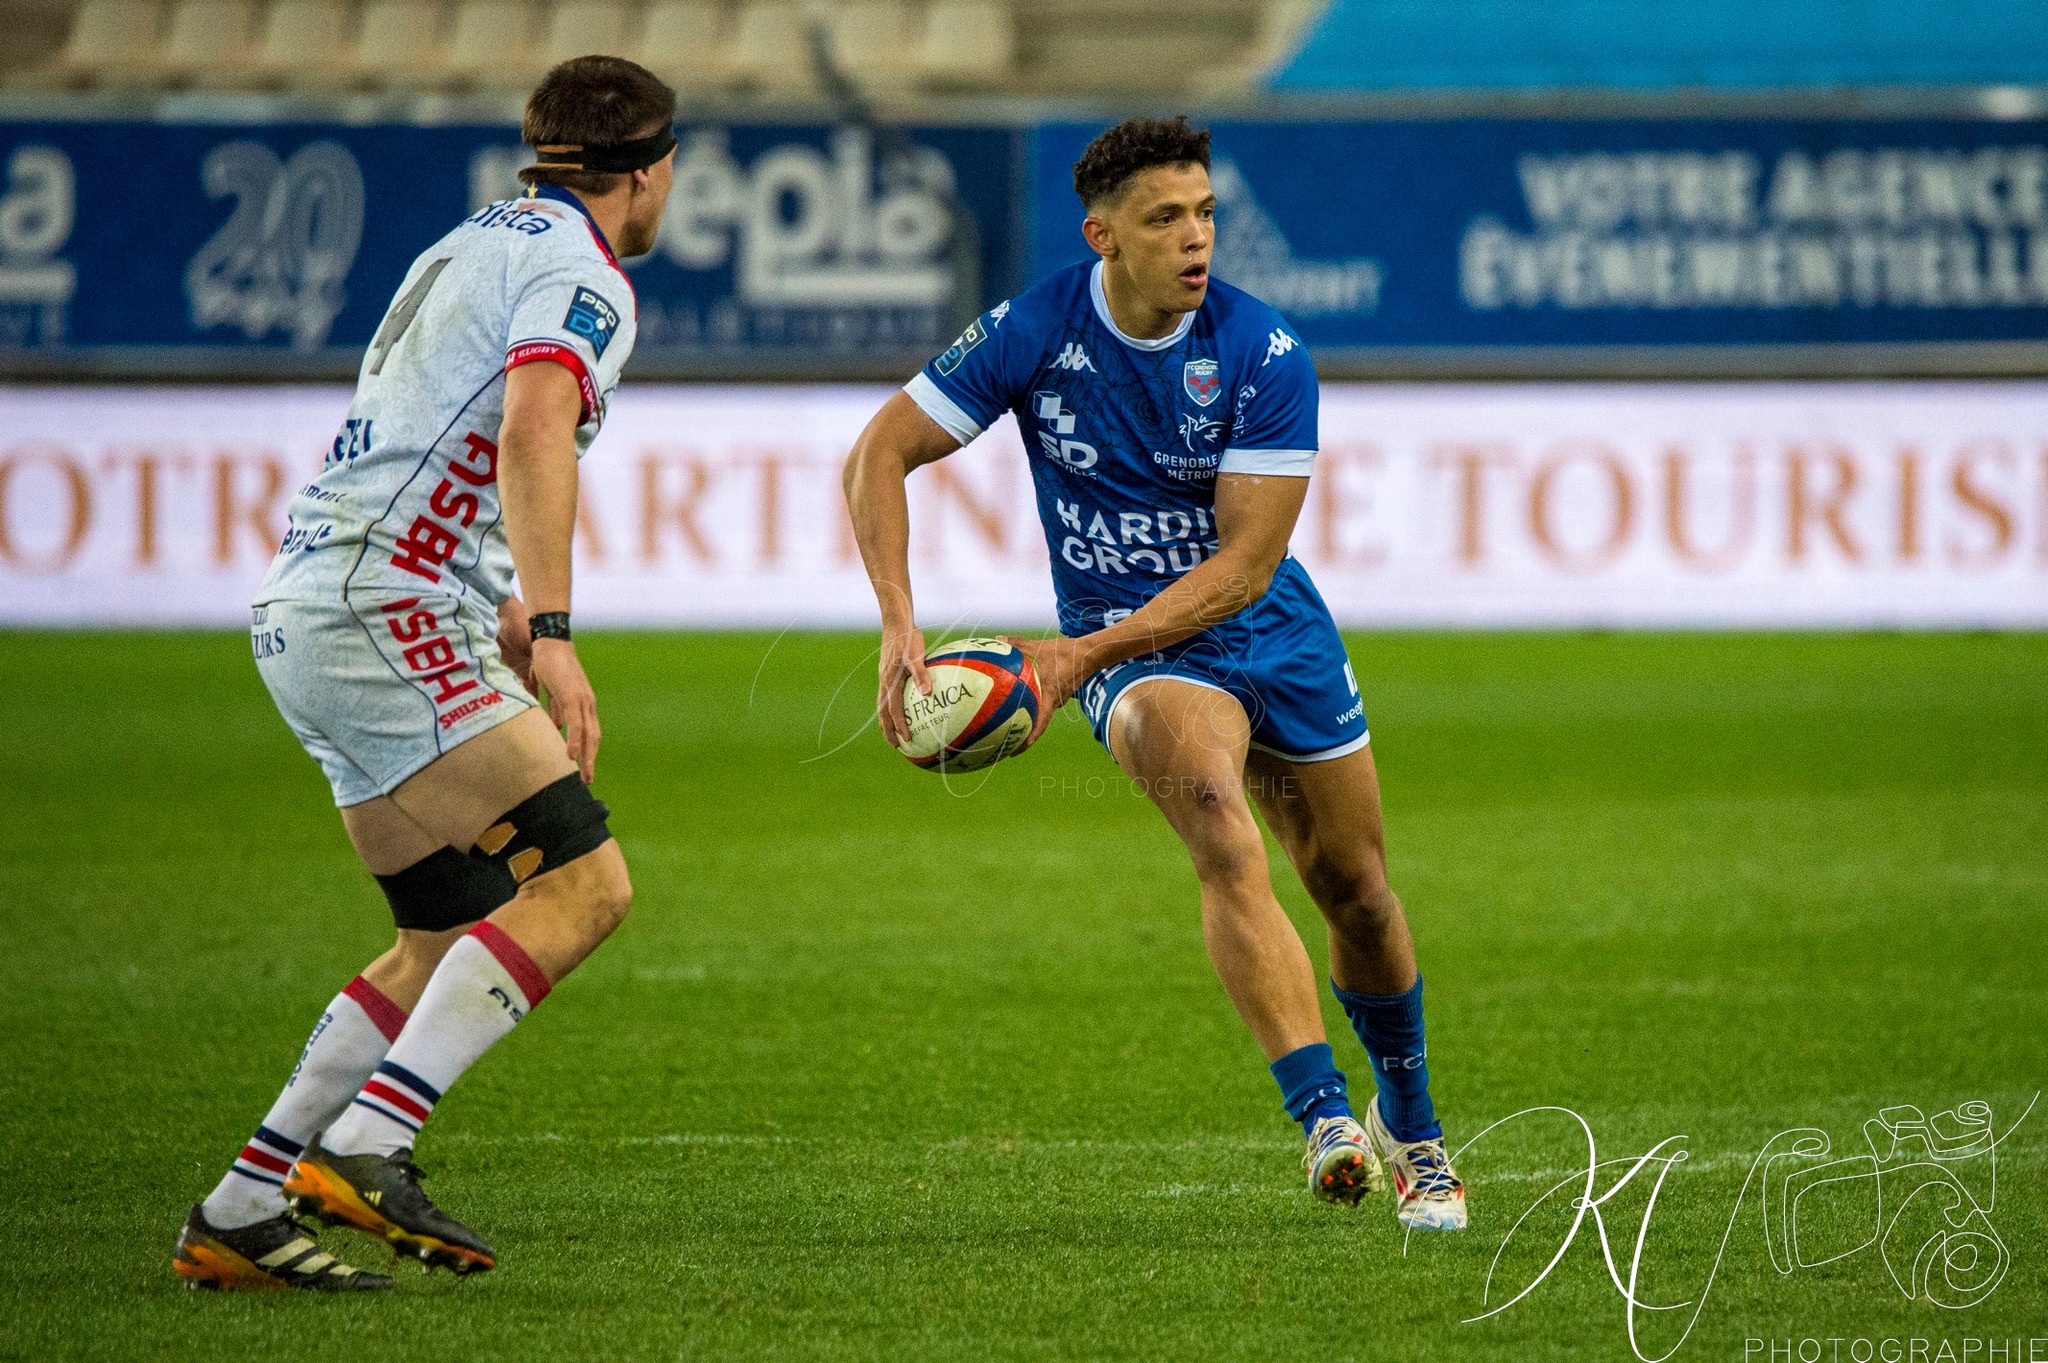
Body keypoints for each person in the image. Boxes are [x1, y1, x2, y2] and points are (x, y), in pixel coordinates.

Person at [843, 117, 1466, 1231]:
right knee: (1221, 826)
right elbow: (880, 449)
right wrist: (899, 618)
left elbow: (1243, 566)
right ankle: (1323, 1114)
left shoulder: (1263, 353)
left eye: (1206, 213)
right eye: (1164, 218)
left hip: (1266, 632)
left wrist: (1068, 656)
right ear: (1102, 235)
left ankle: (1410, 1122)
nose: (1195, 239)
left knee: (1357, 892)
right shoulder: (1031, 331)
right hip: (1139, 660)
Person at [172, 56, 676, 1291]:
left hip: (325, 598)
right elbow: (532, 426)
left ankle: (239, 1209)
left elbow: (420, 437)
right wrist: (552, 625)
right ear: (650, 171)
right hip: (381, 607)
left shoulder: (466, 243)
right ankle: (369, 1140)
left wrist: (497, 607)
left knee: (441, 928)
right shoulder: (578, 271)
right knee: (584, 885)